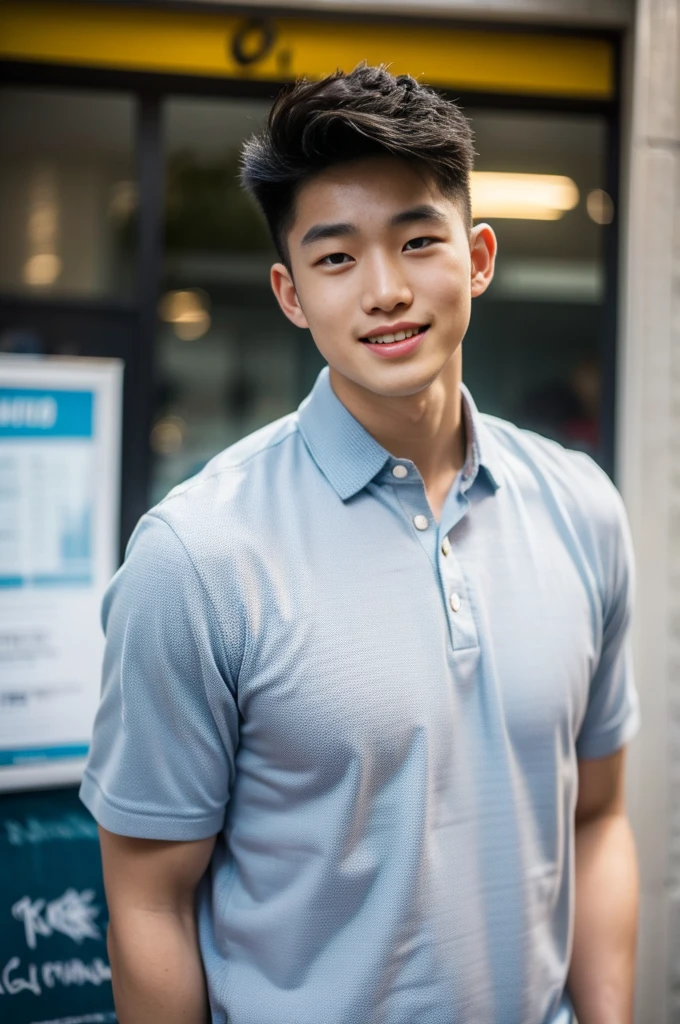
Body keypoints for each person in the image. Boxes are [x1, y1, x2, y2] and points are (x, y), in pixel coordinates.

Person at [80, 64, 640, 1024]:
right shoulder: (196, 556)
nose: (385, 291)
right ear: (291, 293)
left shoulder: (581, 506)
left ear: (478, 258)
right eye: (335, 259)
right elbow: (147, 901)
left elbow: (596, 820)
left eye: (419, 241)